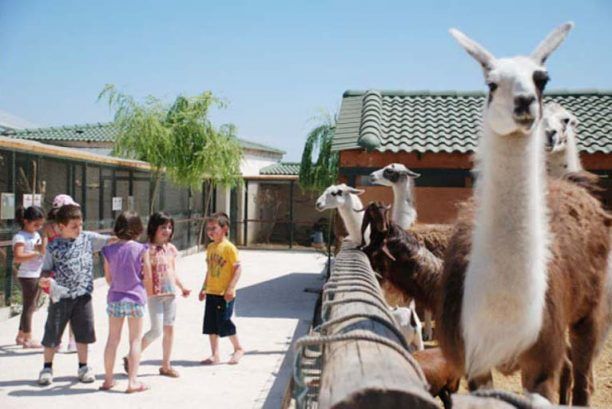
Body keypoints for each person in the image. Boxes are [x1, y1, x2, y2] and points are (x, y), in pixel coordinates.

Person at [37, 204, 111, 386]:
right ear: (61, 227)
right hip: (60, 298)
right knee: (52, 333)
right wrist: (44, 280)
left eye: (81, 225)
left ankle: (83, 367)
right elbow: (45, 271)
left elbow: (110, 240)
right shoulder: (53, 247)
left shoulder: (88, 239)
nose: (79, 229)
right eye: (74, 226)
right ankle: (47, 368)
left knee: (83, 333)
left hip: (83, 297)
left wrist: (128, 238)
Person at [131, 212, 190, 378]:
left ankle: (166, 365)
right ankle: (132, 357)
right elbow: (141, 275)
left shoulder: (170, 249)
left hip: (170, 294)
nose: (167, 230)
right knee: (156, 330)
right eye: (163, 227)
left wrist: (182, 287)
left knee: (169, 329)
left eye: (170, 227)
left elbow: (172, 271)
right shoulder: (145, 249)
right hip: (154, 295)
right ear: (154, 228)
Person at [100, 210, 151, 393]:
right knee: (135, 340)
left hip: (115, 298)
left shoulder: (108, 250)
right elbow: (148, 276)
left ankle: (108, 380)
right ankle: (132, 381)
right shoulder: (141, 249)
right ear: (138, 230)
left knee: (112, 340)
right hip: (136, 298)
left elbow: (108, 278)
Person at [199, 212, 244, 365]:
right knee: (211, 324)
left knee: (224, 322)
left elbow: (237, 269)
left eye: (214, 228)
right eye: (208, 229)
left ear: (224, 229)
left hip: (224, 294)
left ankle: (238, 348)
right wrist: (204, 288)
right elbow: (209, 270)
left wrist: (230, 288)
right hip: (212, 291)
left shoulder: (229, 248)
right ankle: (215, 354)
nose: (210, 232)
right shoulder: (210, 247)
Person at [43, 194, 78, 353]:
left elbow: (44, 249)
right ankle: (72, 341)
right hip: (70, 270)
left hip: (54, 273)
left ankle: (55, 342)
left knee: (56, 308)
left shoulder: (48, 227)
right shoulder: (70, 226)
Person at [12, 206, 46, 349]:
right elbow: (18, 257)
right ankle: (28, 338)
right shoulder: (20, 237)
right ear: (25, 221)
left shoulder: (35, 235)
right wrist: (36, 254)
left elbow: (40, 249)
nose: (38, 227)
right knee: (29, 307)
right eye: (35, 224)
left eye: (40, 225)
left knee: (31, 306)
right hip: (28, 275)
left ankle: (20, 335)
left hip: (37, 273)